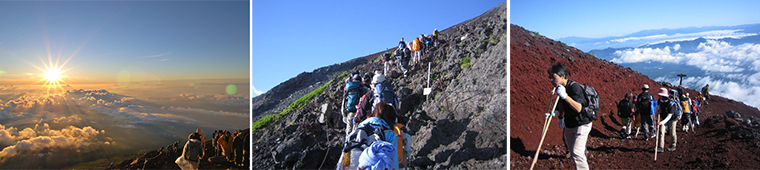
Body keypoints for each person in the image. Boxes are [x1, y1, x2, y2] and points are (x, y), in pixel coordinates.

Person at [547, 63, 592, 170]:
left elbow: (578, 108)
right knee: (573, 152)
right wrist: (557, 115)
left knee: (577, 153)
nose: (551, 80)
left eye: (554, 77)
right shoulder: (561, 88)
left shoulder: (574, 88)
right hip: (570, 124)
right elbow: (562, 104)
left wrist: (565, 96)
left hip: (582, 124)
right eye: (550, 78)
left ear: (562, 76)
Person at [655, 88, 678, 152]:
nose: (659, 96)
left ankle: (673, 145)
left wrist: (662, 122)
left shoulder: (671, 104)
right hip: (663, 117)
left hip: (672, 118)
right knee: (661, 132)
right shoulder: (660, 101)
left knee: (672, 132)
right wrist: (658, 113)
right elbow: (659, 108)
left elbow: (669, 116)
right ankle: (660, 147)